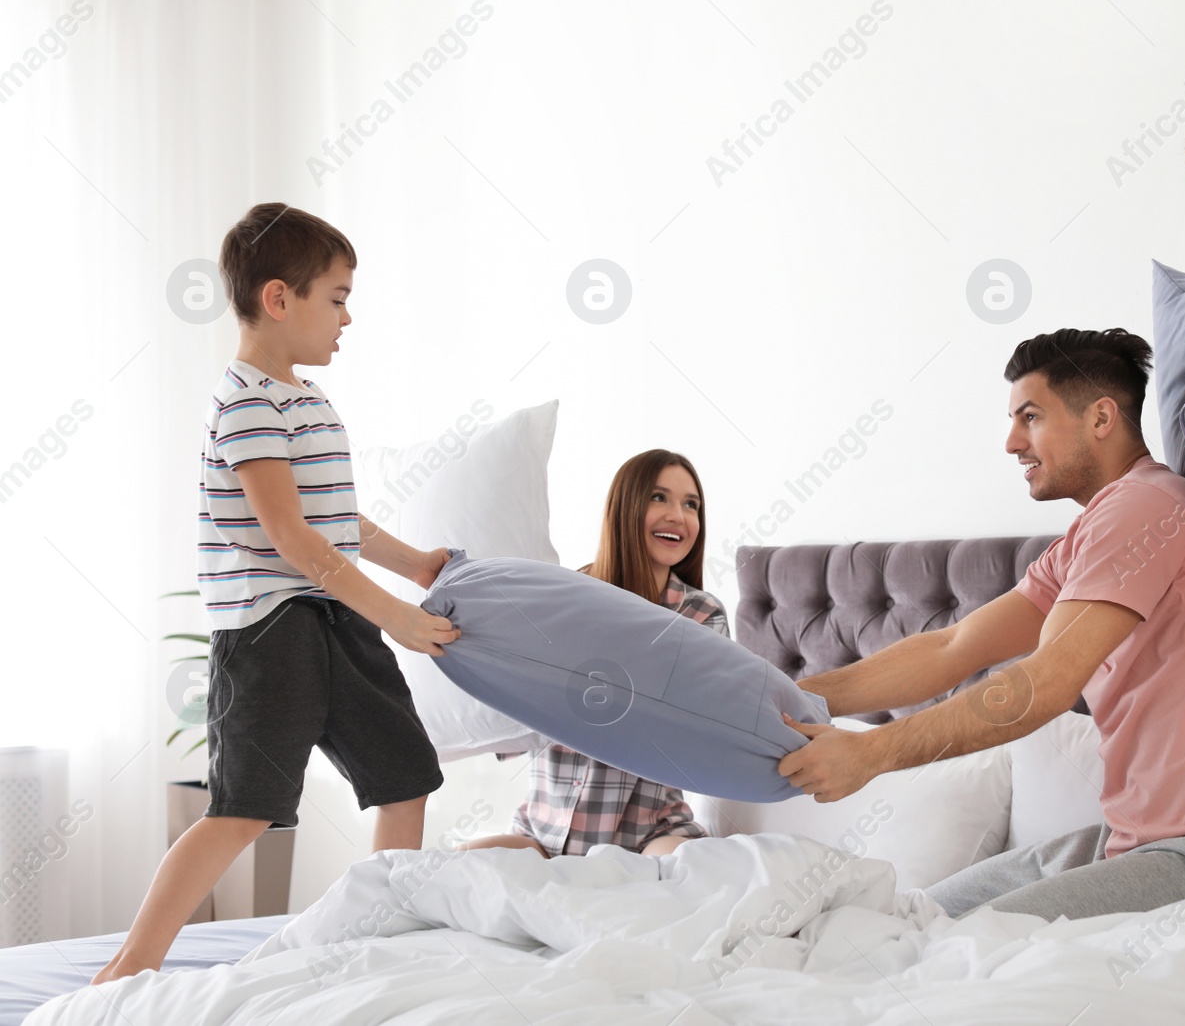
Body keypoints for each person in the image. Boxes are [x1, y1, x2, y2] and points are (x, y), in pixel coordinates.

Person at [779, 328, 1185, 924]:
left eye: (1029, 417)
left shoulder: (1146, 509)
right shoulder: (1094, 532)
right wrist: (792, 698)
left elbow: (1044, 685)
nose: (1011, 442)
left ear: (1102, 417)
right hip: (1138, 848)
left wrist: (871, 752)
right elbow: (954, 647)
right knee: (903, 923)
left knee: (939, 948)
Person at [94, 204, 458, 984]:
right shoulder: (246, 402)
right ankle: (129, 966)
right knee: (245, 805)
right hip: (272, 632)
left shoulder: (308, 400)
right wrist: (394, 613)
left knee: (406, 777)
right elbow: (291, 537)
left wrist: (415, 564)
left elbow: (336, 520)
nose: (348, 317)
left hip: (336, 618)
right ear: (278, 299)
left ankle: (378, 941)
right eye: (336, 297)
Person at [457, 449, 725, 858]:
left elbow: (701, 729)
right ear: (625, 507)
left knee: (684, 871)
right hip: (542, 834)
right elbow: (515, 716)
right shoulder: (565, 594)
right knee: (450, 869)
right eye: (659, 498)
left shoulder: (702, 615)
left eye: (692, 505)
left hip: (649, 833)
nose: (679, 515)